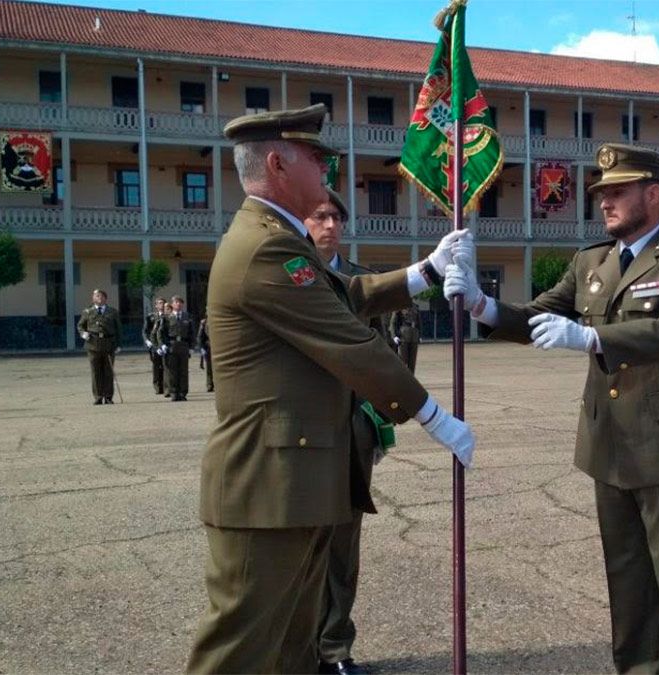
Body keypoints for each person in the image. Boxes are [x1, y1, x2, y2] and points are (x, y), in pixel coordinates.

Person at [186, 104, 476, 675]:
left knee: (292, 647)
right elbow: (351, 342)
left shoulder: (277, 240)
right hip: (267, 489)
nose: (326, 173)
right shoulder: (266, 248)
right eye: (316, 161)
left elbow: (347, 294)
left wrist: (428, 271)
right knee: (240, 652)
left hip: (293, 484)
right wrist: (435, 416)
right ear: (277, 164)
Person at [445, 142, 659, 674]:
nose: (604, 202)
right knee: (626, 577)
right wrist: (482, 306)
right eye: (601, 194)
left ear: (653, 194)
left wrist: (592, 338)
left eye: (617, 192)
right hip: (609, 444)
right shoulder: (590, 261)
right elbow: (534, 316)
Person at [303, 186, 391, 675]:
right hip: (302, 431)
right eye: (320, 216)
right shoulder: (283, 275)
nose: (331, 225)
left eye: (338, 217)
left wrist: (378, 422)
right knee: (300, 547)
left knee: (342, 547)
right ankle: (299, 647)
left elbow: (379, 356)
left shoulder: (359, 281)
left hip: (351, 428)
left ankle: (335, 647)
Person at [76, 289, 122, 405]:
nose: (99, 298)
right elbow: (80, 326)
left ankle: (108, 396)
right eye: (97, 296)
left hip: (108, 343)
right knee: (96, 372)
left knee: (108, 371)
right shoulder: (88, 312)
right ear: (93, 298)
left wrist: (118, 344)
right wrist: (83, 333)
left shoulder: (112, 312)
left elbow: (118, 329)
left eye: (102, 296)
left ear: (106, 299)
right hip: (93, 344)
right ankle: (98, 396)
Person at [157, 295, 194, 401]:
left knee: (183, 370)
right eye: (176, 302)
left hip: (183, 344)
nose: (178, 304)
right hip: (171, 345)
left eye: (180, 302)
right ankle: (173, 392)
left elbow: (192, 332)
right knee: (172, 371)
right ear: (172, 304)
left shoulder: (187, 316)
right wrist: (162, 344)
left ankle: (182, 392)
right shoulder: (167, 317)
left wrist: (192, 346)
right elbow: (161, 332)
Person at [144, 297, 167, 395]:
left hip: (164, 345)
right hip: (154, 345)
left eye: (163, 303)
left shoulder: (168, 316)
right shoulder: (151, 317)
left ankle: (166, 386)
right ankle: (158, 386)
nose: (161, 305)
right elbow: (145, 331)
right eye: (159, 303)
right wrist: (147, 341)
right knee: (156, 367)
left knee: (165, 366)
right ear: (156, 306)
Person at [389, 304, 422, 373]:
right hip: (403, 335)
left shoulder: (415, 306)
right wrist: (394, 336)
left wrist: (420, 335)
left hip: (414, 335)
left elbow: (419, 322)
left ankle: (411, 379)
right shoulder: (399, 306)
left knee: (412, 361)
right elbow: (393, 322)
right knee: (402, 359)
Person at [196, 313, 213, 392]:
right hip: (208, 347)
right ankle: (209, 384)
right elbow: (200, 336)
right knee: (209, 367)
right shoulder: (204, 322)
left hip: (218, 347)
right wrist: (201, 347)